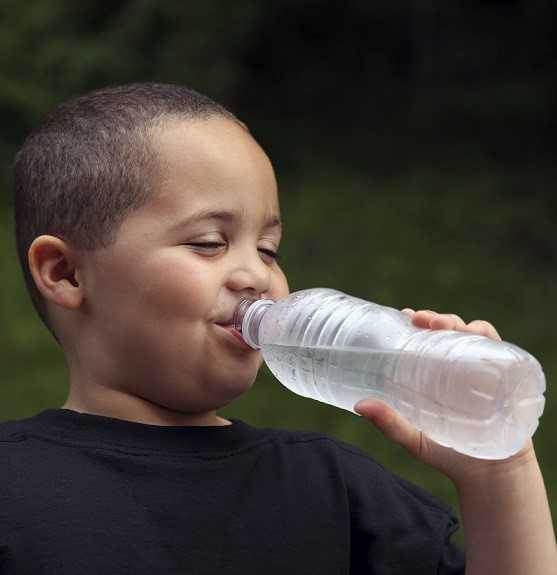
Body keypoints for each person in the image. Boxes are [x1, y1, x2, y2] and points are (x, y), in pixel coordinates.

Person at [2, 82, 555, 574]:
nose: (256, 275)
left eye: (268, 250)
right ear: (67, 272)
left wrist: (497, 476)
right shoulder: (15, 486)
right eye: (209, 242)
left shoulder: (333, 488)